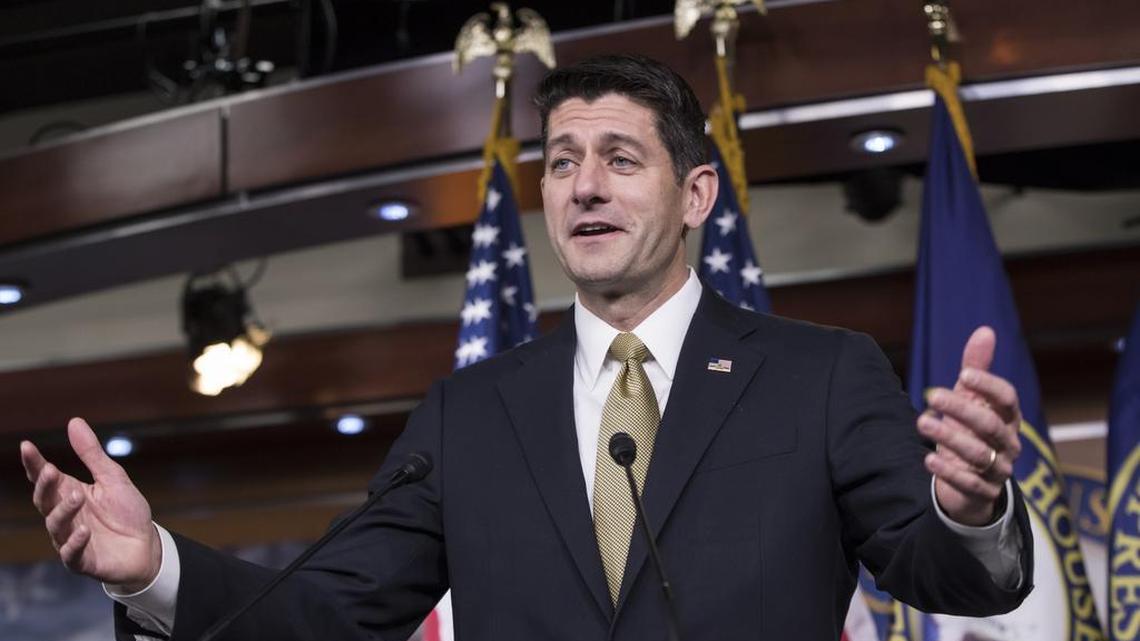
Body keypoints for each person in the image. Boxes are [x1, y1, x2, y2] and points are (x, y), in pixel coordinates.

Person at [20, 54, 1032, 641]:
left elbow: (944, 572)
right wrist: (149, 566)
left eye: (620, 158)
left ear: (696, 197)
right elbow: (327, 611)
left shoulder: (820, 374)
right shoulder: (472, 413)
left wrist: (971, 508)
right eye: (561, 163)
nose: (583, 186)